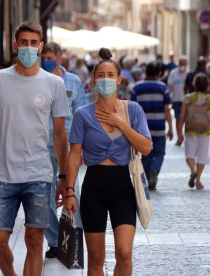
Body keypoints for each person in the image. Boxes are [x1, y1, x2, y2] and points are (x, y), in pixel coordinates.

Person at [0, 21, 70, 276]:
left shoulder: (54, 84)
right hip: (1, 173)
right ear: (15, 45)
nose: (29, 48)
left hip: (38, 174)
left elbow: (59, 133)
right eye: (24, 42)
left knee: (34, 241)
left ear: (41, 47)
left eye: (34, 43)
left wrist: (65, 178)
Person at [62, 47, 152, 276]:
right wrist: (70, 191)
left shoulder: (133, 110)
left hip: (122, 187)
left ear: (119, 79)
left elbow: (146, 147)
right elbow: (74, 156)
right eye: (100, 75)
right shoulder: (83, 114)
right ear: (93, 80)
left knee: (124, 253)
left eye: (110, 75)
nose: (105, 80)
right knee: (96, 258)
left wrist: (120, 123)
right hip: (94, 187)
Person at [40, 42, 86, 258]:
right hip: (42, 145)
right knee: (46, 194)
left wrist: (83, 146)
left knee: (71, 192)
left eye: (49, 57)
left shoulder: (74, 82)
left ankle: (73, 240)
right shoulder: (37, 81)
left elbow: (82, 114)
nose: (46, 60)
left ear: (59, 58)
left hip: (68, 146)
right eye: (44, 57)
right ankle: (55, 242)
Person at [132, 61, 173, 190]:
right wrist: (171, 127)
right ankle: (154, 170)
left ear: (146, 72)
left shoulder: (137, 88)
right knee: (160, 153)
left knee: (146, 153)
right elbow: (167, 109)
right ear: (159, 73)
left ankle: (150, 174)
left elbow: (132, 109)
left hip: (142, 129)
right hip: (159, 127)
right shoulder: (162, 87)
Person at [177, 73, 210, 190]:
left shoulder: (188, 98)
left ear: (194, 85)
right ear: (207, 86)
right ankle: (198, 180)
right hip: (205, 131)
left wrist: (179, 132)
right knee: (202, 156)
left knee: (189, 153)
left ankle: (192, 170)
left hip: (190, 130)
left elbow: (181, 117)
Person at [167, 56, 188, 146]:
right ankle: (179, 136)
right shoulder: (173, 73)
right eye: (180, 63)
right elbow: (169, 86)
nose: (182, 65)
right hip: (176, 99)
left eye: (184, 64)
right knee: (178, 118)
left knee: (185, 119)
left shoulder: (189, 73)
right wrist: (169, 98)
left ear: (186, 64)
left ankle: (183, 135)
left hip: (187, 100)